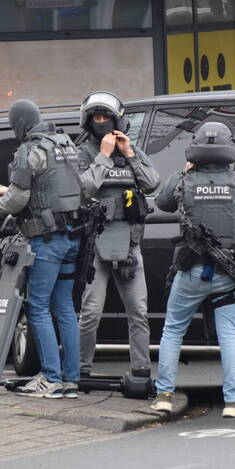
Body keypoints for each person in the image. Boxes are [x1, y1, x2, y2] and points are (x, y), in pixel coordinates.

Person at [0, 99, 85, 399]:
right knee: (65, 308)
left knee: (38, 307)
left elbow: (17, 202)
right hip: (73, 236)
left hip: (46, 241)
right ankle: (71, 379)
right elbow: (59, 185)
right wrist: (13, 192)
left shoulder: (28, 151)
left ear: (19, 124)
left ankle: (51, 379)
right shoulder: (65, 143)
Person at [150, 121, 235, 418]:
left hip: (190, 272)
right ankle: (233, 402)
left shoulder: (184, 181)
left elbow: (162, 203)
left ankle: (163, 396)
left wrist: (184, 172)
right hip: (229, 273)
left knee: (173, 331)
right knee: (230, 337)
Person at [74, 91, 160, 380]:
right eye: (96, 117)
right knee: (91, 311)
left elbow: (151, 183)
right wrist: (104, 156)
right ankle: (81, 369)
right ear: (89, 121)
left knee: (138, 310)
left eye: (106, 117)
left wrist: (129, 154)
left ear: (116, 120)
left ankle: (141, 370)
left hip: (129, 244)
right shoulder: (83, 152)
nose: (101, 122)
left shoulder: (129, 149)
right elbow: (83, 188)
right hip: (96, 245)